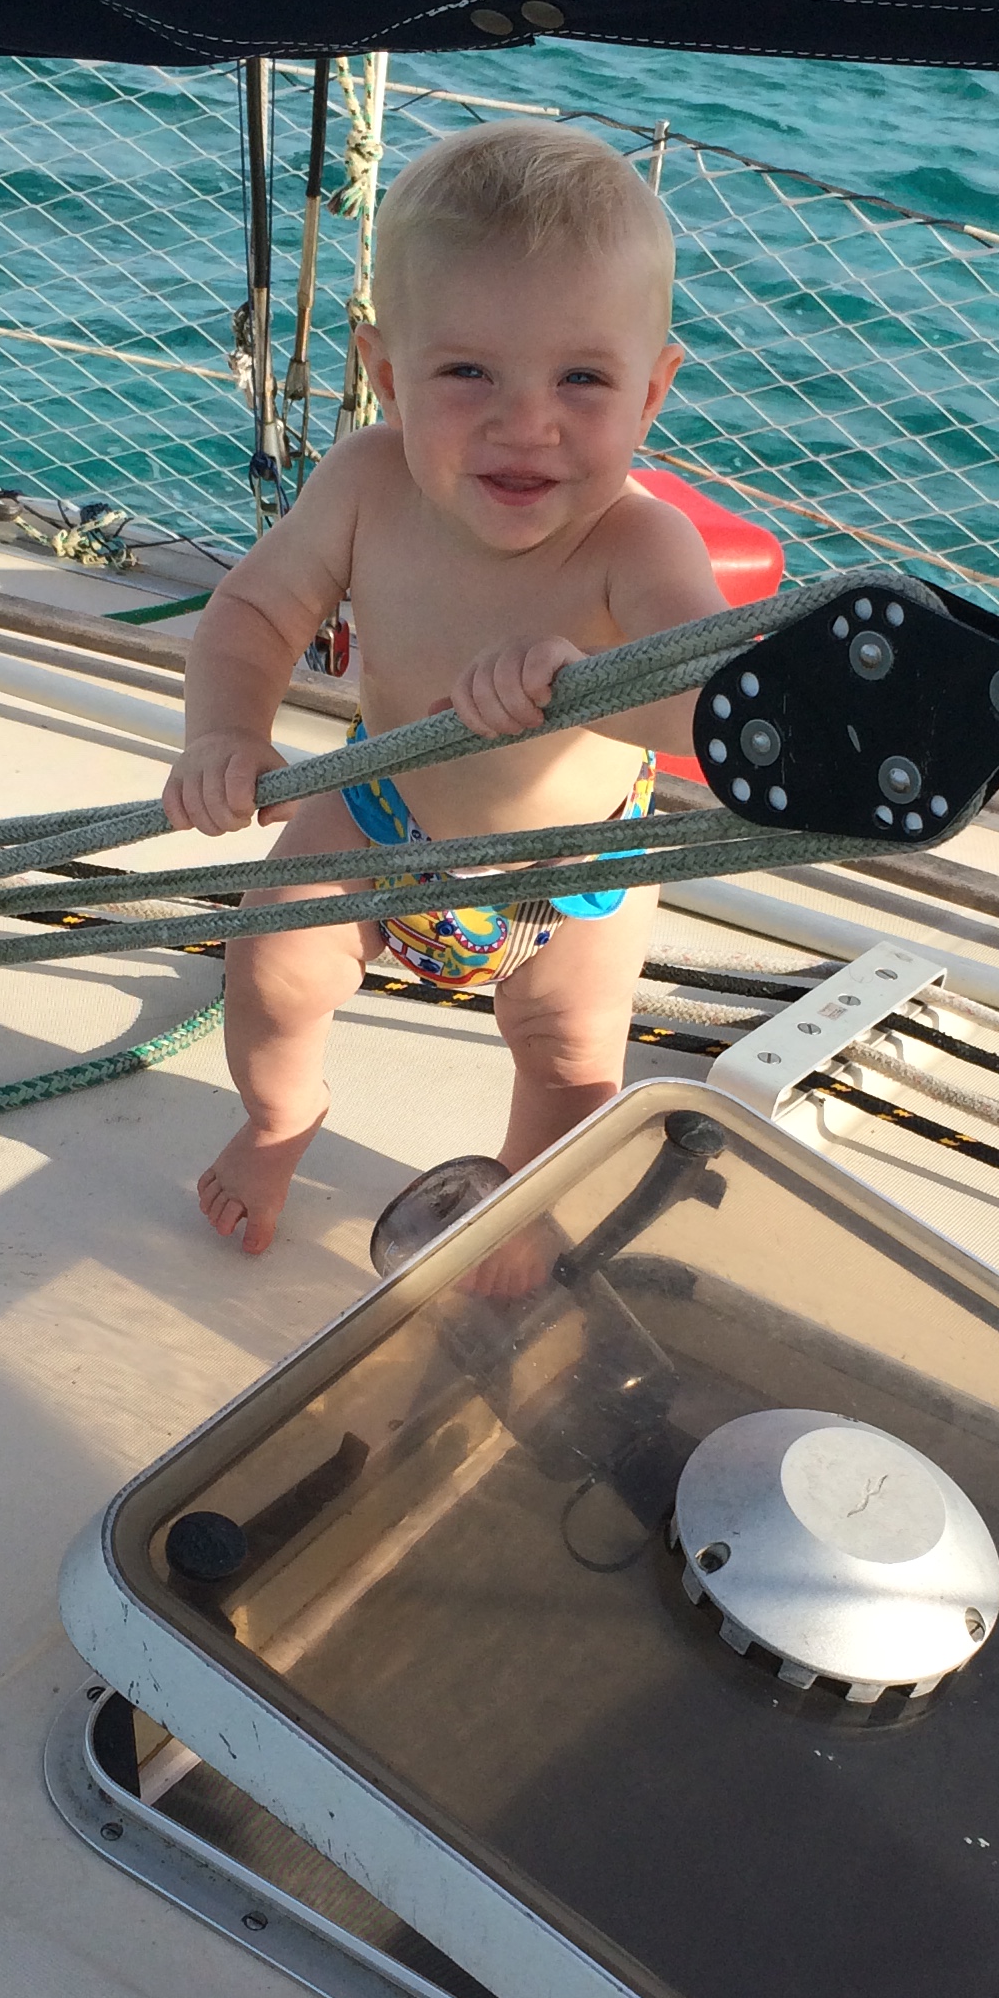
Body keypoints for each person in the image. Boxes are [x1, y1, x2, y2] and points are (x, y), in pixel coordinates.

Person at [163, 120, 722, 1254]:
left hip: (574, 875)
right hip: (378, 816)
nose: (527, 422)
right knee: (270, 963)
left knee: (573, 1063)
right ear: (385, 375)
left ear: (652, 392)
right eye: (468, 372)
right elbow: (254, 611)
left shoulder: (641, 547)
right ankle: (280, 1117)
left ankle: (518, 1205)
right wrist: (225, 734)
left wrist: (590, 688)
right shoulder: (366, 483)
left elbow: (712, 708)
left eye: (582, 378)